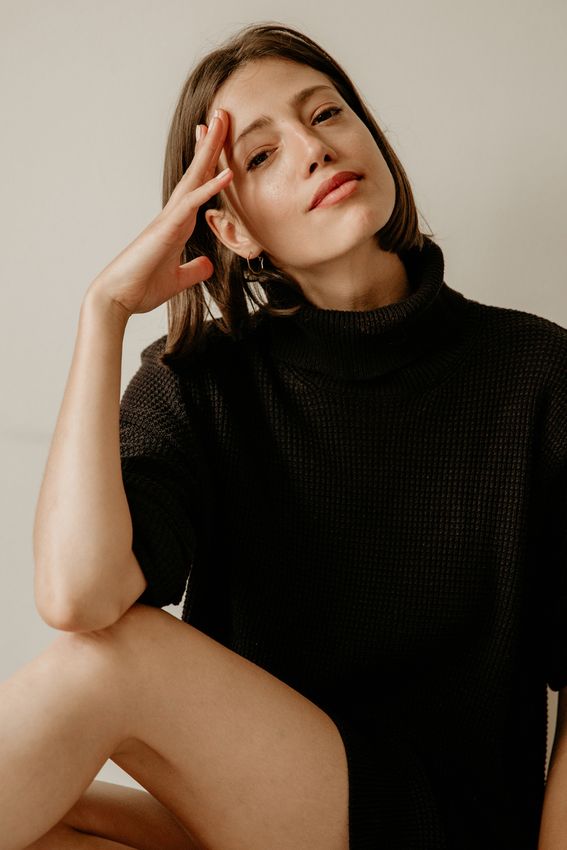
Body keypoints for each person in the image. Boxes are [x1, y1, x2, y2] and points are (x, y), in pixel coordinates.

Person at [0, 20, 565, 850]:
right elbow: (78, 595)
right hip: (266, 813)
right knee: (42, 813)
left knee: (108, 666)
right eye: (260, 155)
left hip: (442, 823)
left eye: (327, 114)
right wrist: (106, 314)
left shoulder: (537, 371)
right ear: (228, 227)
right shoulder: (203, 379)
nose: (313, 147)